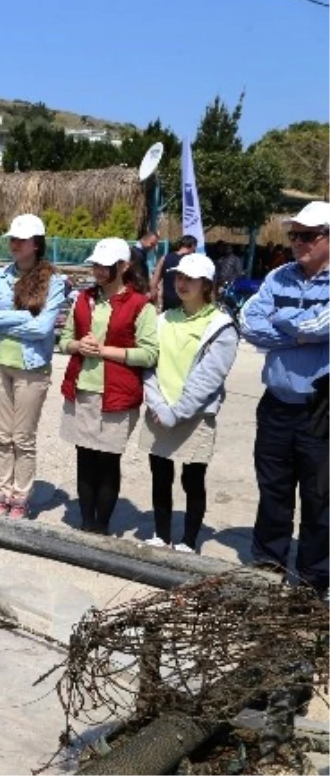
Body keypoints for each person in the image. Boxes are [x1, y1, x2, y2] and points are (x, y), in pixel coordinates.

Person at [240, 200, 330, 591]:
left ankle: (313, 578)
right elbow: (247, 320)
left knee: (320, 497)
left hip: (321, 409)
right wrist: (297, 332)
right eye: (294, 235)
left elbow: (323, 324)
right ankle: (269, 565)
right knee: (272, 489)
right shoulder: (278, 276)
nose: (297, 242)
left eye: (307, 235)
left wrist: (281, 322)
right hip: (276, 404)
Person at [58, 238, 159, 535]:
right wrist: (77, 344)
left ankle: (101, 525)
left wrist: (104, 351)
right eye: (96, 265)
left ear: (124, 266)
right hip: (82, 389)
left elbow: (150, 353)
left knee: (108, 460)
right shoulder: (83, 298)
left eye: (106, 266)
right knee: (85, 457)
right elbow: (64, 340)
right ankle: (86, 521)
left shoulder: (141, 305)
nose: (98, 271)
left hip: (116, 393)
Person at [139, 253, 238, 553]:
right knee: (160, 475)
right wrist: (158, 404)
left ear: (206, 285)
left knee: (193, 479)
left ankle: (188, 541)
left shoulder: (221, 325)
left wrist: (177, 412)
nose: (181, 284)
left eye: (190, 279)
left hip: (194, 414)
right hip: (159, 410)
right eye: (179, 277)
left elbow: (209, 378)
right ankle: (161, 533)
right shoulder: (164, 318)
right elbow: (150, 364)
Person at [0, 214, 69, 518]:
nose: (14, 244)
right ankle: (2, 491)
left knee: (22, 438)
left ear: (36, 244)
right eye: (12, 239)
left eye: (20, 239)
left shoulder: (54, 282)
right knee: (3, 435)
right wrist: (23, 317)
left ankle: (21, 496)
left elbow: (43, 330)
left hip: (31, 367)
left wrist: (0, 320)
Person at [151, 235, 197, 312]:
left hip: (168, 302)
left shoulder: (164, 258)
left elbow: (153, 283)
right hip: (185, 302)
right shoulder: (192, 260)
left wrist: (155, 303)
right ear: (192, 246)